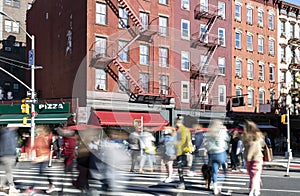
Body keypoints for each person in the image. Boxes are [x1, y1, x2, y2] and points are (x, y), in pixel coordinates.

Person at [203, 120, 230, 195]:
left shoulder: (209, 132)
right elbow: (228, 139)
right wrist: (225, 130)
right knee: (224, 170)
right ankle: (219, 185)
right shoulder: (222, 131)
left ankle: (215, 187)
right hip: (221, 152)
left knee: (214, 171)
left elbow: (206, 142)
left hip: (212, 153)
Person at [28, 125, 56, 194]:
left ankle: (31, 188)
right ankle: (51, 185)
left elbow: (40, 148)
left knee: (40, 173)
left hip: (43, 157)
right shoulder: (40, 138)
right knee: (43, 172)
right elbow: (34, 147)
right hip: (42, 157)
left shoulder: (42, 138)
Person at [242, 120, 265, 196]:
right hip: (257, 157)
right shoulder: (259, 135)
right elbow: (263, 144)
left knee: (253, 175)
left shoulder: (246, 136)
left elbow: (244, 146)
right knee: (255, 175)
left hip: (251, 158)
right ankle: (257, 189)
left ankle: (252, 190)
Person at [0, 127, 20, 194]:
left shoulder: (3, 133)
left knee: (8, 172)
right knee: (9, 172)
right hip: (8, 155)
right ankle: (11, 188)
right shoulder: (9, 134)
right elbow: (12, 145)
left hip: (4, 155)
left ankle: (1, 184)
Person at [174, 116, 193, 189]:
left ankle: (182, 183)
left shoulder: (182, 130)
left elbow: (183, 141)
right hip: (183, 151)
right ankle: (181, 183)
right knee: (180, 168)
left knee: (180, 168)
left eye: (176, 122)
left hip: (182, 151)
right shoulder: (183, 130)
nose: (175, 123)